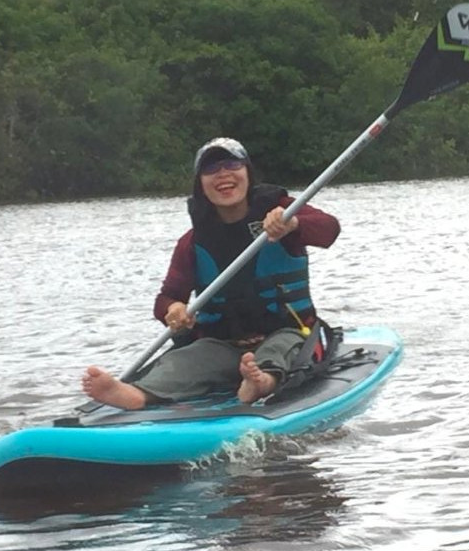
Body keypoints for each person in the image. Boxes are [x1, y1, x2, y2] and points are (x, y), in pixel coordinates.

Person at [82, 137, 340, 409]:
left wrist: (293, 223)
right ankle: (137, 395)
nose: (223, 174)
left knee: (278, 349)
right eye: (211, 169)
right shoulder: (192, 243)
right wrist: (174, 309)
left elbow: (329, 229)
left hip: (291, 332)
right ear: (201, 184)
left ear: (247, 173)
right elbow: (167, 298)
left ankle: (261, 381)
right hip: (224, 345)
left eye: (232, 164)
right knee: (184, 359)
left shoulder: (282, 210)